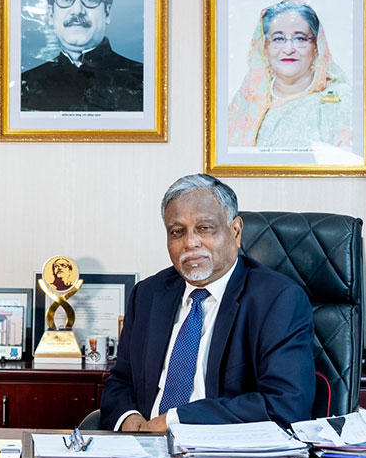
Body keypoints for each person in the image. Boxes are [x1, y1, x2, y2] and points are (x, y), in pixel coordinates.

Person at [99, 174, 315, 432]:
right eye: (177, 232)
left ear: (235, 231)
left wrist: (174, 421)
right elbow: (121, 382)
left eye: (204, 228)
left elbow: (285, 405)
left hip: (222, 450)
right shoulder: (147, 295)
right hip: (144, 444)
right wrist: (130, 421)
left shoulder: (278, 300)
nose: (190, 243)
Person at [228, 0, 352, 150]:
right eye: (278, 39)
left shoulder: (340, 101)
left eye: (300, 38)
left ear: (316, 46)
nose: (288, 49)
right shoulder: (245, 103)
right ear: (264, 47)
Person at [20, 0, 144, 112]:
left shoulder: (143, 80)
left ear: (107, 13)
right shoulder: (25, 85)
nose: (77, 10)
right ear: (51, 15)